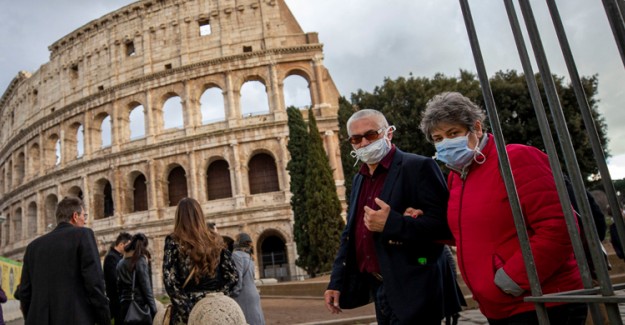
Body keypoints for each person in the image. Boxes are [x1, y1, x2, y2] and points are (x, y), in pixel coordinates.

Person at [419, 92, 586, 324]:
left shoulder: (515, 159)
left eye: (453, 133)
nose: (445, 143)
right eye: (437, 138)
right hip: (499, 307)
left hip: (543, 302)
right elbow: (467, 233)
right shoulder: (457, 177)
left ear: (476, 128)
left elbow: (559, 226)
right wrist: (416, 220)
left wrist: (512, 280)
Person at [324, 109, 462, 324]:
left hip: (416, 288)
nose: (364, 143)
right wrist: (336, 281)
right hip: (380, 287)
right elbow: (351, 233)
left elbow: (446, 227)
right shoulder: (360, 179)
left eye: (371, 135)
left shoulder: (418, 167)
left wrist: (394, 223)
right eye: (356, 138)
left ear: (388, 133)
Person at [19, 196, 111, 325]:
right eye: (84, 216)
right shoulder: (83, 235)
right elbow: (95, 284)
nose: (85, 221)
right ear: (75, 216)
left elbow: (24, 292)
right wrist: (104, 320)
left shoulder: (33, 247)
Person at [163, 197, 238, 324]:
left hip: (187, 309)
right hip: (215, 310)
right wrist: (219, 298)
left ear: (179, 217)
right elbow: (233, 277)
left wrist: (188, 309)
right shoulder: (216, 239)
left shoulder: (174, 240)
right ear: (200, 214)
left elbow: (170, 281)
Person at [117, 233, 157, 324]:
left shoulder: (120, 263)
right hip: (139, 306)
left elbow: (119, 287)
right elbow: (146, 288)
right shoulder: (140, 260)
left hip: (125, 306)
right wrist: (154, 310)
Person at [231, 232, 265, 325]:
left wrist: (233, 293)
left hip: (243, 294)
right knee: (257, 319)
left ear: (238, 242)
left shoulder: (236, 255)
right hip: (253, 292)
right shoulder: (250, 257)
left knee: (247, 320)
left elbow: (238, 277)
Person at [104, 231, 132, 323]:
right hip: (117, 300)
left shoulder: (118, 257)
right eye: (128, 245)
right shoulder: (111, 258)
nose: (129, 248)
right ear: (121, 244)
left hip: (121, 299)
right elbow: (114, 278)